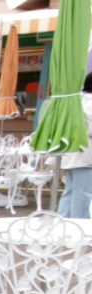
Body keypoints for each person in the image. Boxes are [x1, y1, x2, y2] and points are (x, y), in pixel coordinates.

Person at [59, 72, 92, 219]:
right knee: (83, 194)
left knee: (70, 192)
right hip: (84, 154)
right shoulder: (89, 104)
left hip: (71, 152)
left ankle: (62, 224)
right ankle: (79, 226)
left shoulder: (78, 101)